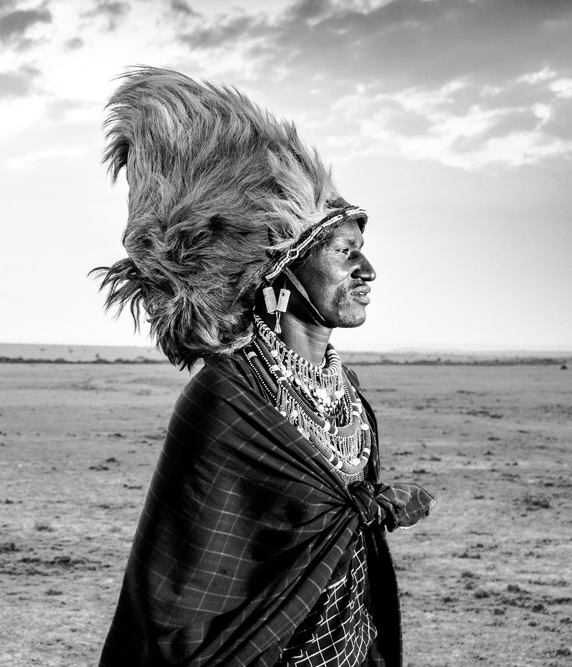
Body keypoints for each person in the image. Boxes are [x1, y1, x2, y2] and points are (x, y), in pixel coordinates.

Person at [94, 68, 436, 667]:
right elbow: (181, 579)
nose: (368, 271)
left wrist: (378, 504)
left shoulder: (346, 392)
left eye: (365, 250)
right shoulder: (226, 396)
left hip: (351, 645)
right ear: (285, 268)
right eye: (345, 252)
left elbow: (330, 517)